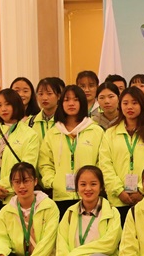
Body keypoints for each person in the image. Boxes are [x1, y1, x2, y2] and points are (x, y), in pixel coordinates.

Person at [99, 86, 144, 224]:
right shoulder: (110, 133)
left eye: (134, 103)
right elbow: (105, 165)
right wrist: (119, 191)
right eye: (125, 103)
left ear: (142, 105)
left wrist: (141, 190)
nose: (129, 107)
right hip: (117, 199)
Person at [38, 85, 104, 217]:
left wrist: (94, 182)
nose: (71, 103)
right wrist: (53, 182)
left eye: (76, 100)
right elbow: (45, 162)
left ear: (82, 103)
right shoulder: (53, 133)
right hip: (61, 196)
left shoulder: (96, 131)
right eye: (67, 100)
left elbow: (102, 161)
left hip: (89, 194)